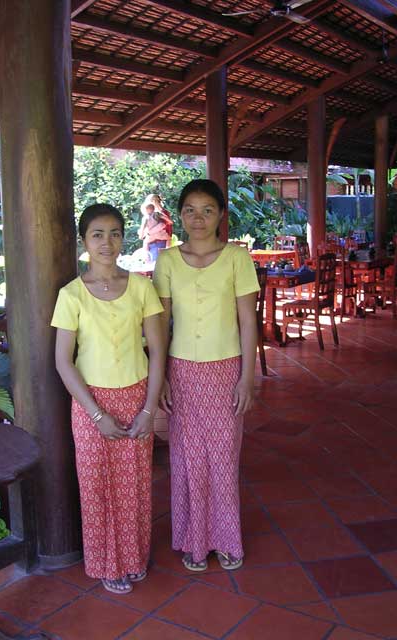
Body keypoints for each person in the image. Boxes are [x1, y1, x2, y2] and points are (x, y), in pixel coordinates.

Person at [51, 203, 165, 595]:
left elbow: (158, 351)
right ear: (83, 241)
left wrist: (150, 409)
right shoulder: (71, 295)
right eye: (97, 234)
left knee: (135, 483)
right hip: (89, 404)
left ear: (124, 237)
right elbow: (63, 362)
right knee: (97, 485)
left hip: (136, 395)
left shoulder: (141, 287)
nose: (107, 242)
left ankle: (133, 558)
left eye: (115, 233)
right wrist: (96, 414)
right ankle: (105, 564)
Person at [153, 179, 259, 572]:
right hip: (181, 370)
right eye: (190, 210)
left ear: (221, 216)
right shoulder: (166, 261)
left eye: (207, 210)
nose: (198, 218)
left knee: (223, 456)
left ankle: (227, 540)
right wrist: (160, 375)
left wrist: (247, 378)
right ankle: (193, 540)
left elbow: (248, 322)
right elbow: (161, 323)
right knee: (186, 457)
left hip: (226, 368)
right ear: (179, 215)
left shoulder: (236, 257)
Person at [138, 194, 173, 260]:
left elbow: (166, 225)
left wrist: (149, 232)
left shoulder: (161, 213)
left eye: (157, 200)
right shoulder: (146, 217)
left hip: (159, 243)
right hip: (151, 243)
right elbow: (142, 232)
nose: (155, 202)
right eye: (153, 201)